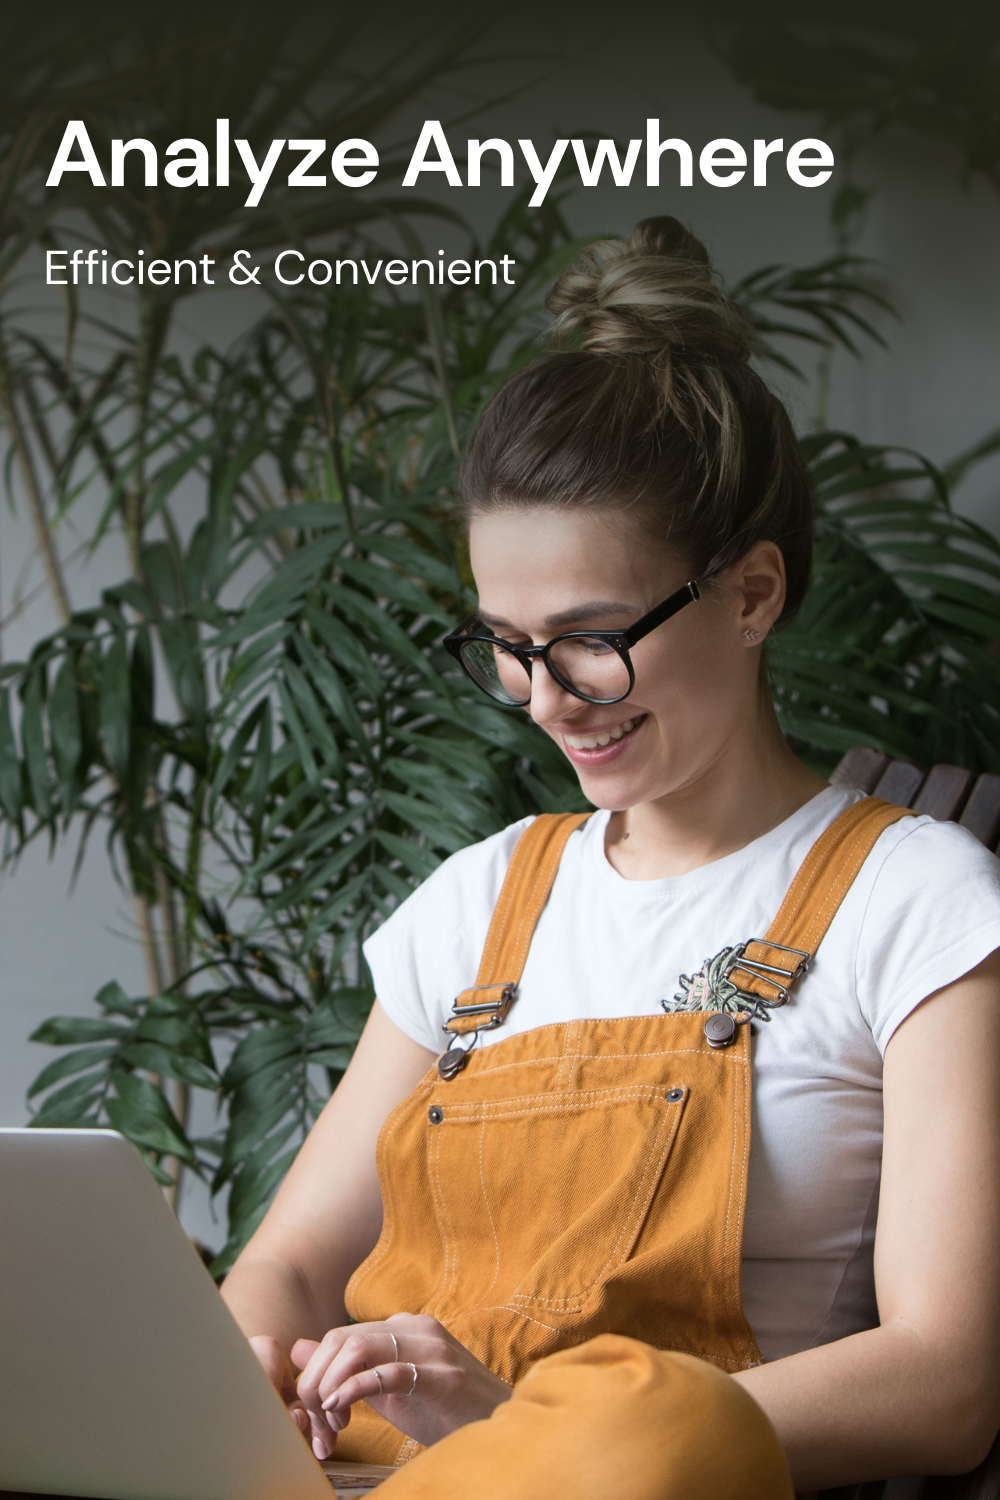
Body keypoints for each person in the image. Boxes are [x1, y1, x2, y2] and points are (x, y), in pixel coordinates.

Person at [219, 219, 1000, 1499]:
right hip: (363, 1484)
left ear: (751, 595)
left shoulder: (912, 902)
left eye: (589, 637)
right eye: (507, 646)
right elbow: (287, 1268)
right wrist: (252, 1358)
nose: (544, 698)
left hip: (640, 1486)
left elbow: (944, 1379)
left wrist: (525, 1432)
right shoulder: (479, 902)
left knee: (640, 1439)